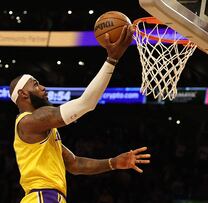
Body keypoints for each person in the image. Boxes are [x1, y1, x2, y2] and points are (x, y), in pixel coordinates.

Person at [9, 25, 151, 203]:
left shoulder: (42, 130)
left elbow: (75, 164)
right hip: (42, 197)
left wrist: (113, 163)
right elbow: (86, 103)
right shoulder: (29, 122)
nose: (43, 87)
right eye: (36, 84)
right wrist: (112, 60)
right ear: (23, 94)